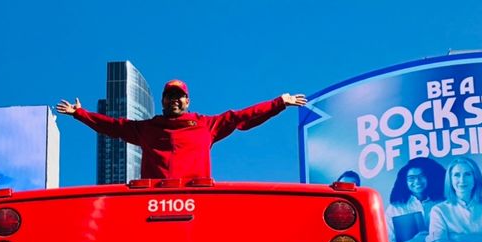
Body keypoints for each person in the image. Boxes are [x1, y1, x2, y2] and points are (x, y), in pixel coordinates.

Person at [56, 80, 307, 180]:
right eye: (170, 96)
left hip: (197, 200)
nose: (174, 100)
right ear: (163, 101)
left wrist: (279, 103)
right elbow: (113, 127)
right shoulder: (147, 129)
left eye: (179, 96)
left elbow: (241, 117)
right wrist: (80, 113)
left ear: (187, 101)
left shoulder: (205, 125)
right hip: (153, 204)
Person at [385, 158, 445, 242]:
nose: (417, 181)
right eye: (411, 178)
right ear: (404, 181)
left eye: (422, 176)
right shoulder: (395, 208)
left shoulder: (443, 203)